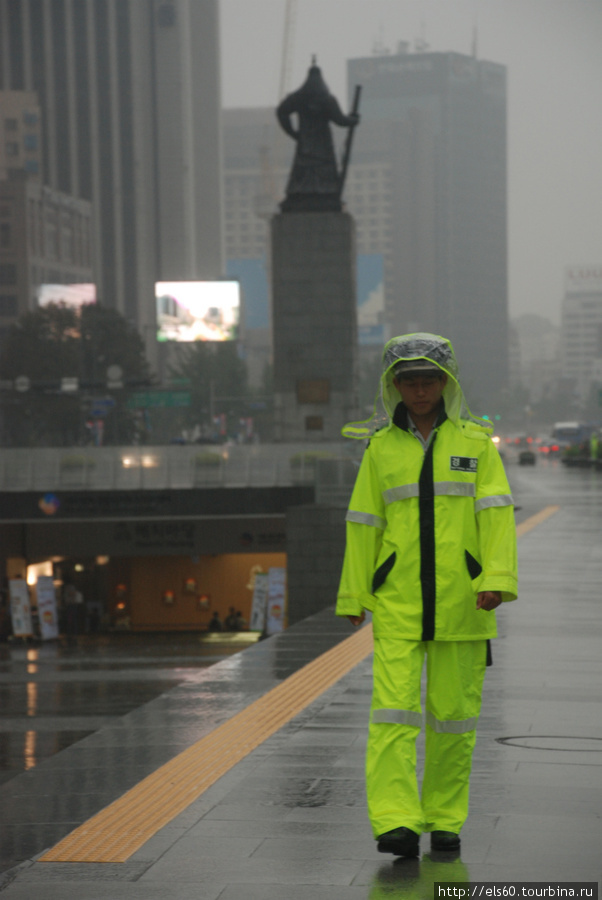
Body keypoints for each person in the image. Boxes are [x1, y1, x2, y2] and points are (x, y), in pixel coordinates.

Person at [336, 333, 517, 859]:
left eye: (429, 380)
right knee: (391, 714)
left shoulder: (477, 444)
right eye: (410, 381)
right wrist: (354, 592)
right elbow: (363, 523)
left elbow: (497, 515)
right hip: (397, 604)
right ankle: (394, 821)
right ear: (394, 386)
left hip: (465, 602)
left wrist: (497, 579)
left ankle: (443, 818)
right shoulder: (380, 449)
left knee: (453, 720)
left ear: (446, 382)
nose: (420, 390)